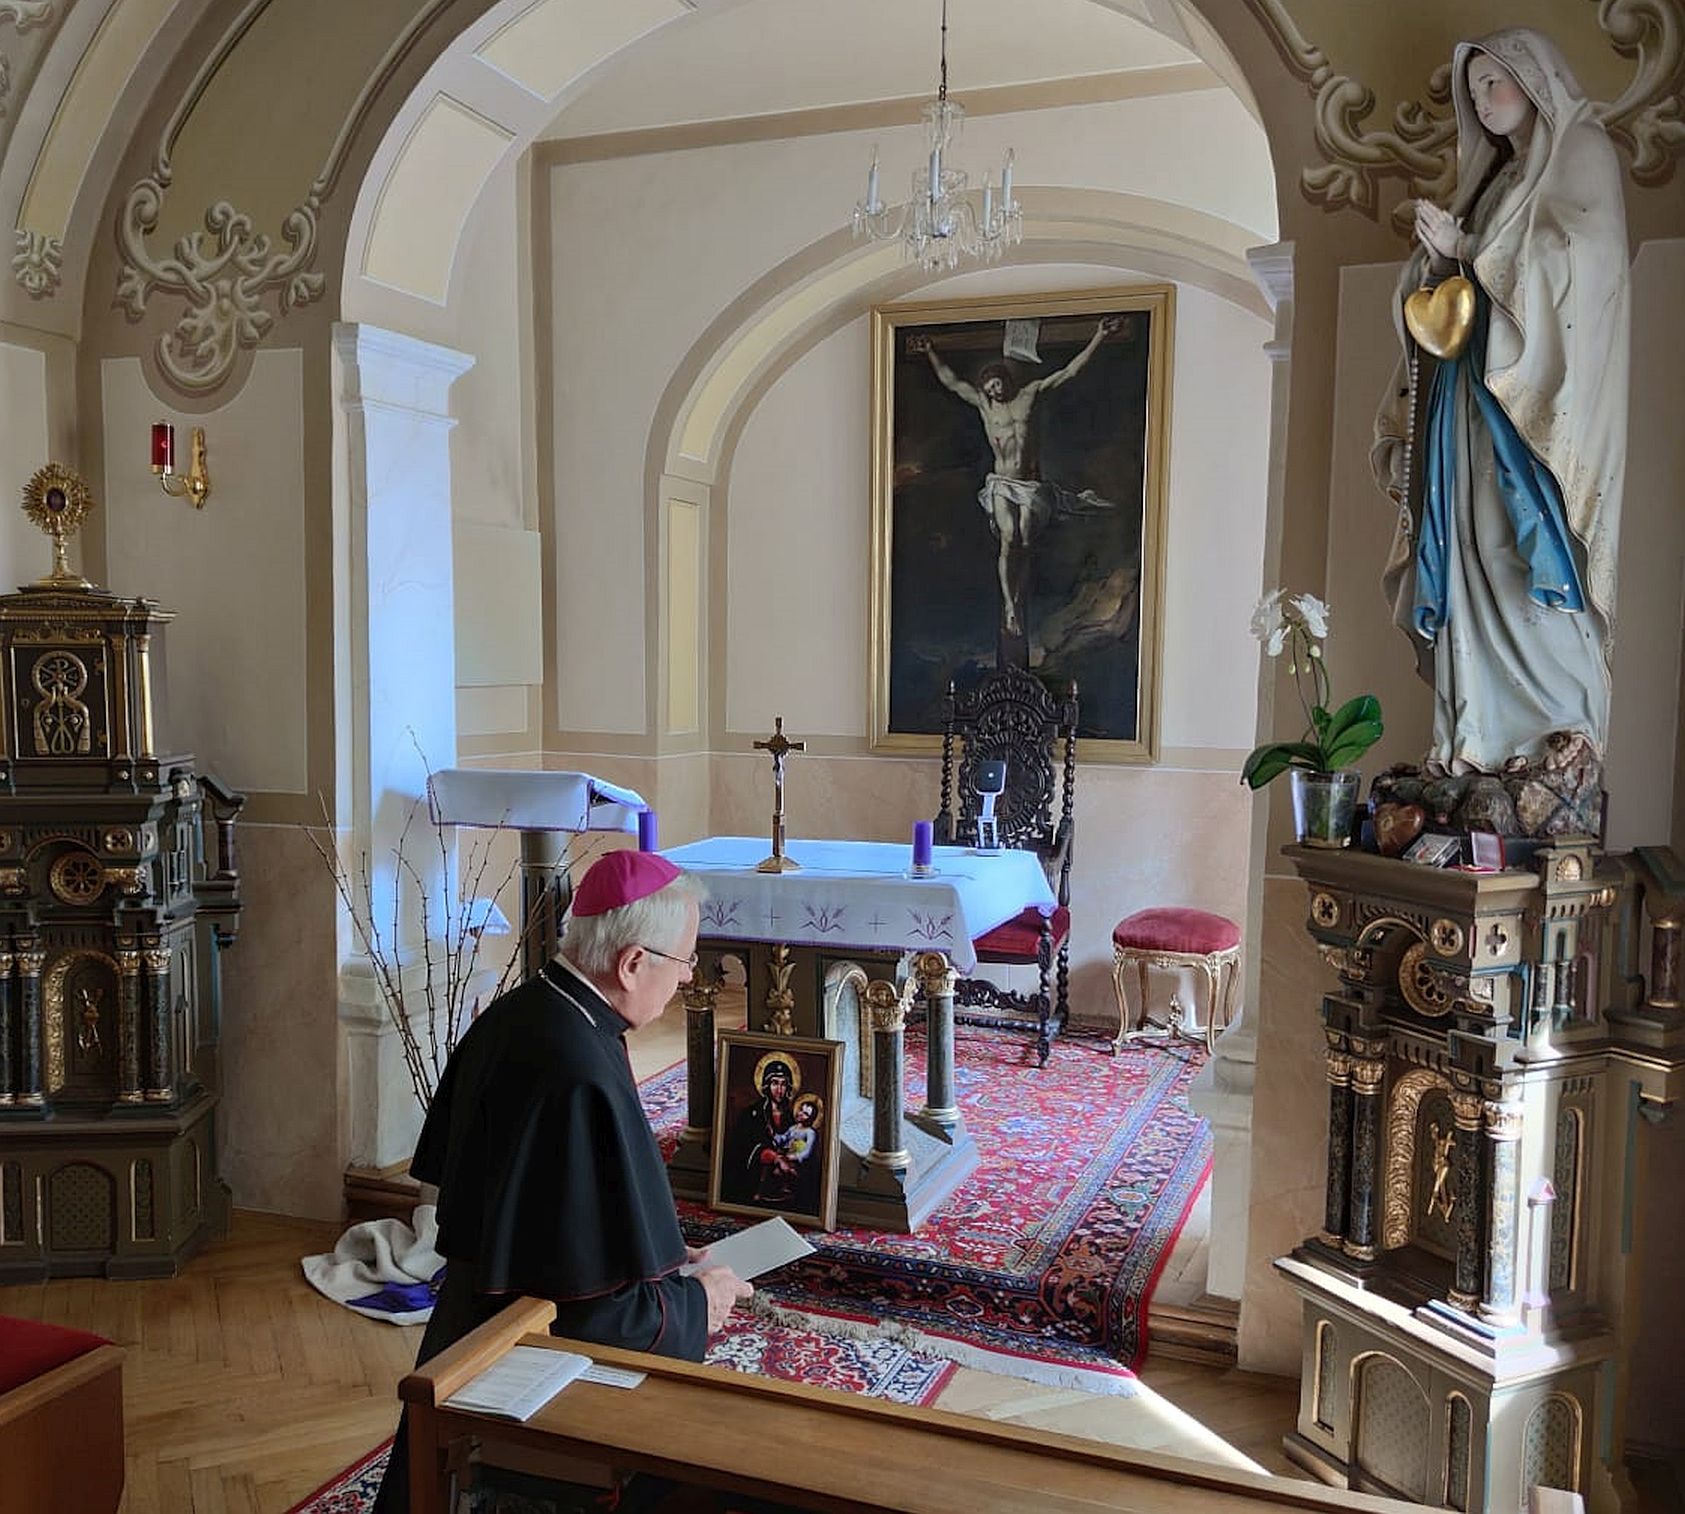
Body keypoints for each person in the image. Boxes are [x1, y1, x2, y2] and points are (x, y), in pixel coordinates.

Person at [371, 849, 752, 1514]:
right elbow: (590, 1315)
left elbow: (564, 1217)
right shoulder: (577, 1068)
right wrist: (699, 1301)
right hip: (518, 1352)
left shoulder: (526, 1012)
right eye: (686, 960)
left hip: (471, 1308)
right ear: (632, 963)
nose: (690, 976)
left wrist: (655, 1255)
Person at [1372, 28, 1629, 775]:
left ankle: (1558, 730)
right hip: (1469, 404)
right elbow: (1451, 290)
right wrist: (1437, 261)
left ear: (1536, 80)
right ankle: (1476, 735)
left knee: (1520, 546)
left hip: (1531, 414)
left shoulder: (1580, 152)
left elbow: (1583, 258)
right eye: (1473, 89)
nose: (1483, 101)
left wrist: (1468, 253)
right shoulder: (1490, 182)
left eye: (1496, 82)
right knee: (1469, 545)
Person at [914, 316, 1124, 637]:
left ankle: (1019, 597)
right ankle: (1010, 607)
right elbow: (952, 382)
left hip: (1028, 484)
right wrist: (930, 351)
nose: (994, 392)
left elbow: (1069, 372)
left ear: (1005, 380)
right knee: (1008, 536)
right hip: (1001, 482)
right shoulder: (985, 406)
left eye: (996, 385)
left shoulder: (1030, 395)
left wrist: (1099, 336)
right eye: (989, 389)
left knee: (1025, 539)